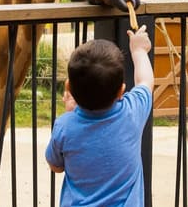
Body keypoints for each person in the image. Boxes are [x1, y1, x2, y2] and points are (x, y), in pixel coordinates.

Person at [45, 25, 153, 206]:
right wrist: (139, 51)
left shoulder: (64, 126)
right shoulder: (132, 112)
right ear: (121, 91)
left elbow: (55, 166)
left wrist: (71, 112)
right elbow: (145, 81)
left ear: (68, 87)